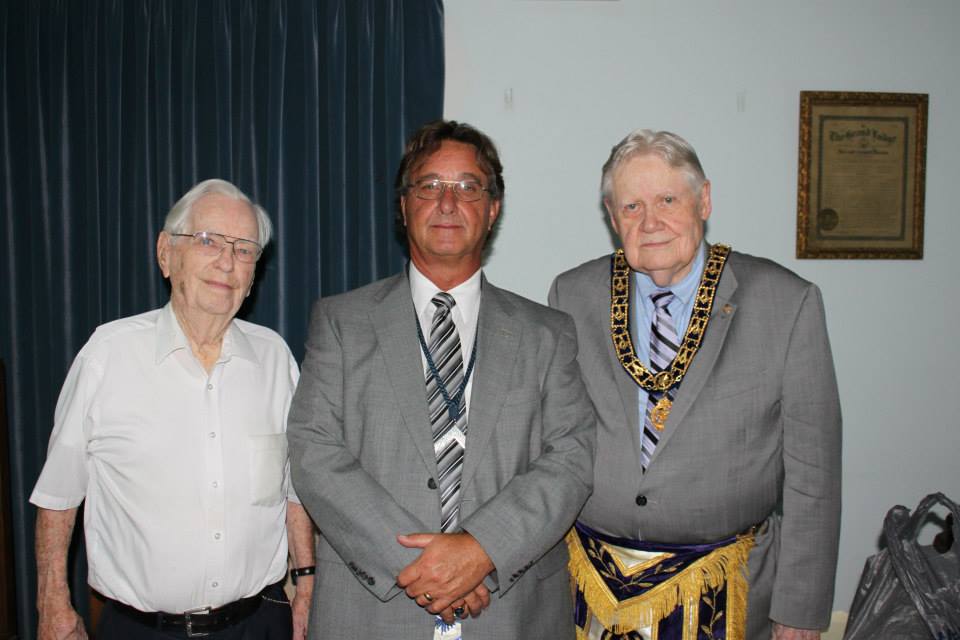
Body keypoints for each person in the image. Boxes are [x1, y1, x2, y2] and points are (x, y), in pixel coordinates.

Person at [287, 120, 596, 639]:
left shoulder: (548, 332)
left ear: (493, 208)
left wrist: (482, 550)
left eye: (468, 187)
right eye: (429, 186)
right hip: (372, 612)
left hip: (509, 613)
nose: (447, 202)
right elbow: (314, 452)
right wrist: (423, 567)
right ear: (403, 206)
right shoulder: (342, 322)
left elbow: (572, 457)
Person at [549, 130, 841, 640]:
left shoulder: (785, 303)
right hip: (593, 592)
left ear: (704, 200)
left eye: (667, 199)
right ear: (612, 217)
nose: (651, 222)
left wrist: (800, 611)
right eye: (632, 206)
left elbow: (813, 475)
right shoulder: (571, 295)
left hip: (729, 590)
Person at [31, 179, 315, 640]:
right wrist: (52, 604)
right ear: (166, 254)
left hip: (259, 624)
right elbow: (58, 498)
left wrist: (305, 582)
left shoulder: (275, 359)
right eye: (208, 241)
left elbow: (293, 490)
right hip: (142, 630)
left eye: (244, 249)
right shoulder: (108, 354)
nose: (227, 261)